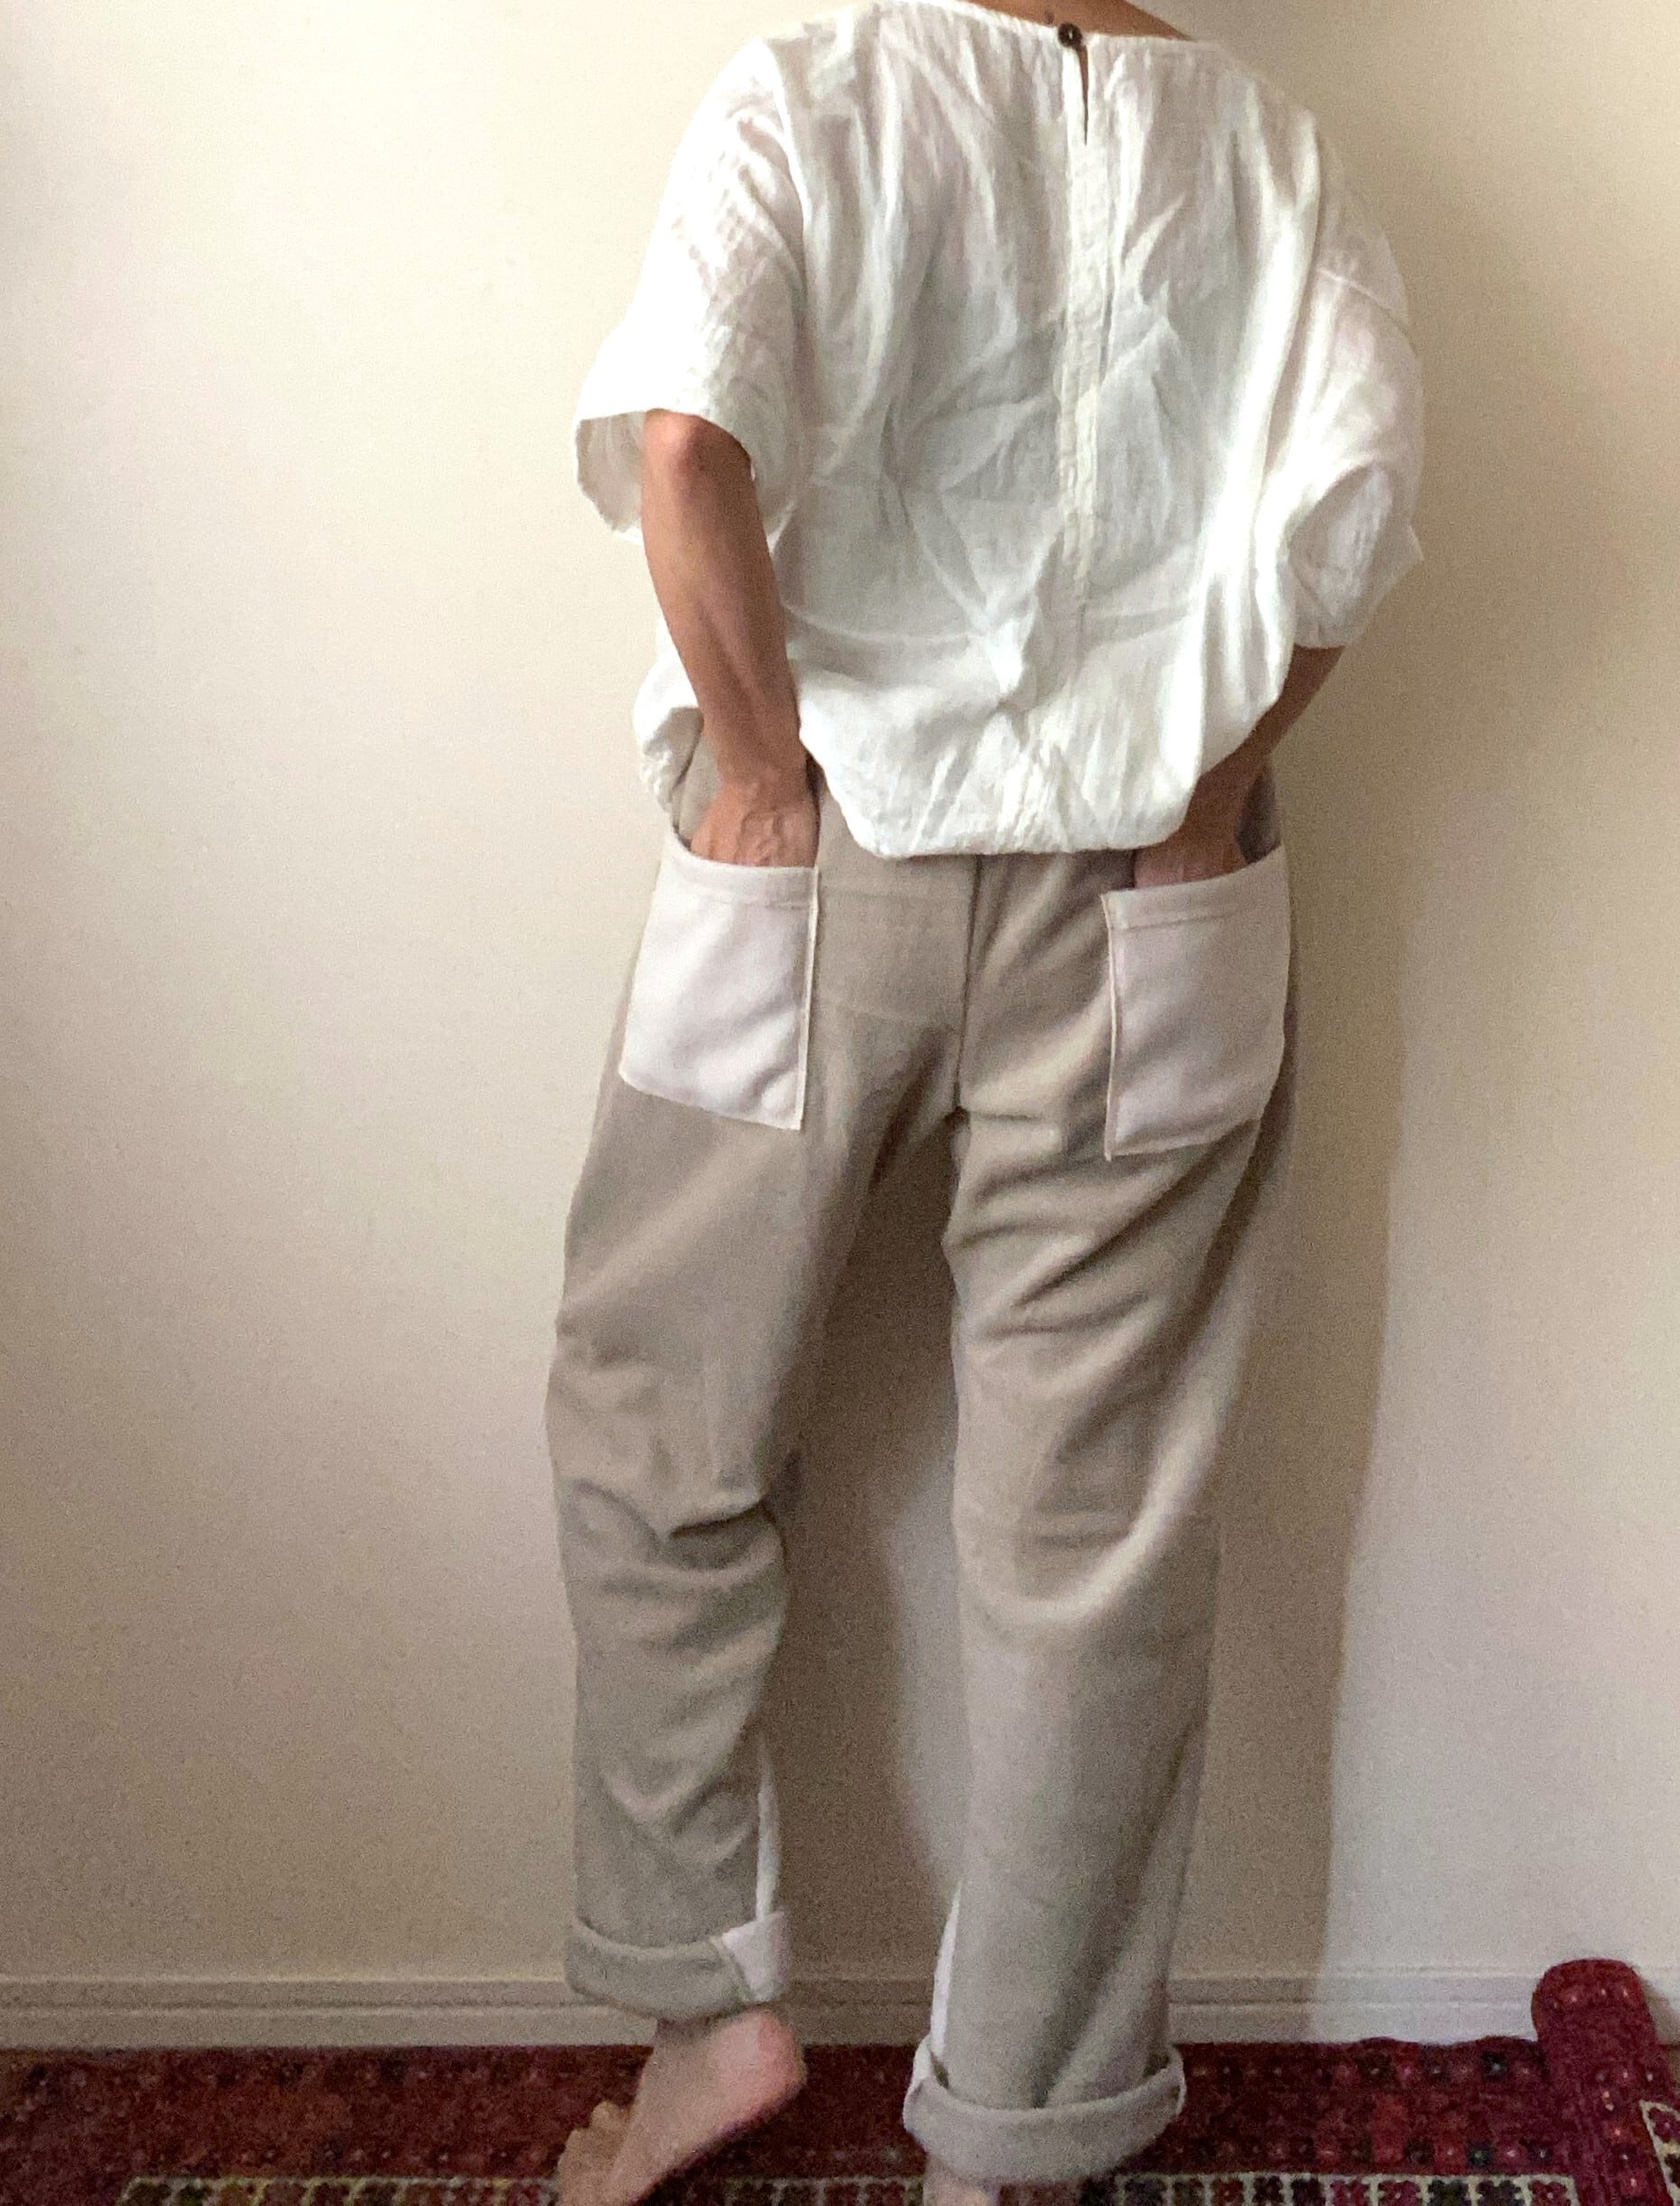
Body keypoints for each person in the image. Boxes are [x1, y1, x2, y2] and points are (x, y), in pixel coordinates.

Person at [548, 0, 1425, 2199]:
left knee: (659, 1423)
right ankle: (1023, 2137)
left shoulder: (818, 88)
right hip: (1144, 883)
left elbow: (685, 440)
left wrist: (758, 769)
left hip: (823, 847)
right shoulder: (1271, 150)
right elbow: (1355, 518)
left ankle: (704, 2005)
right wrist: (1205, 786)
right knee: (1090, 1532)